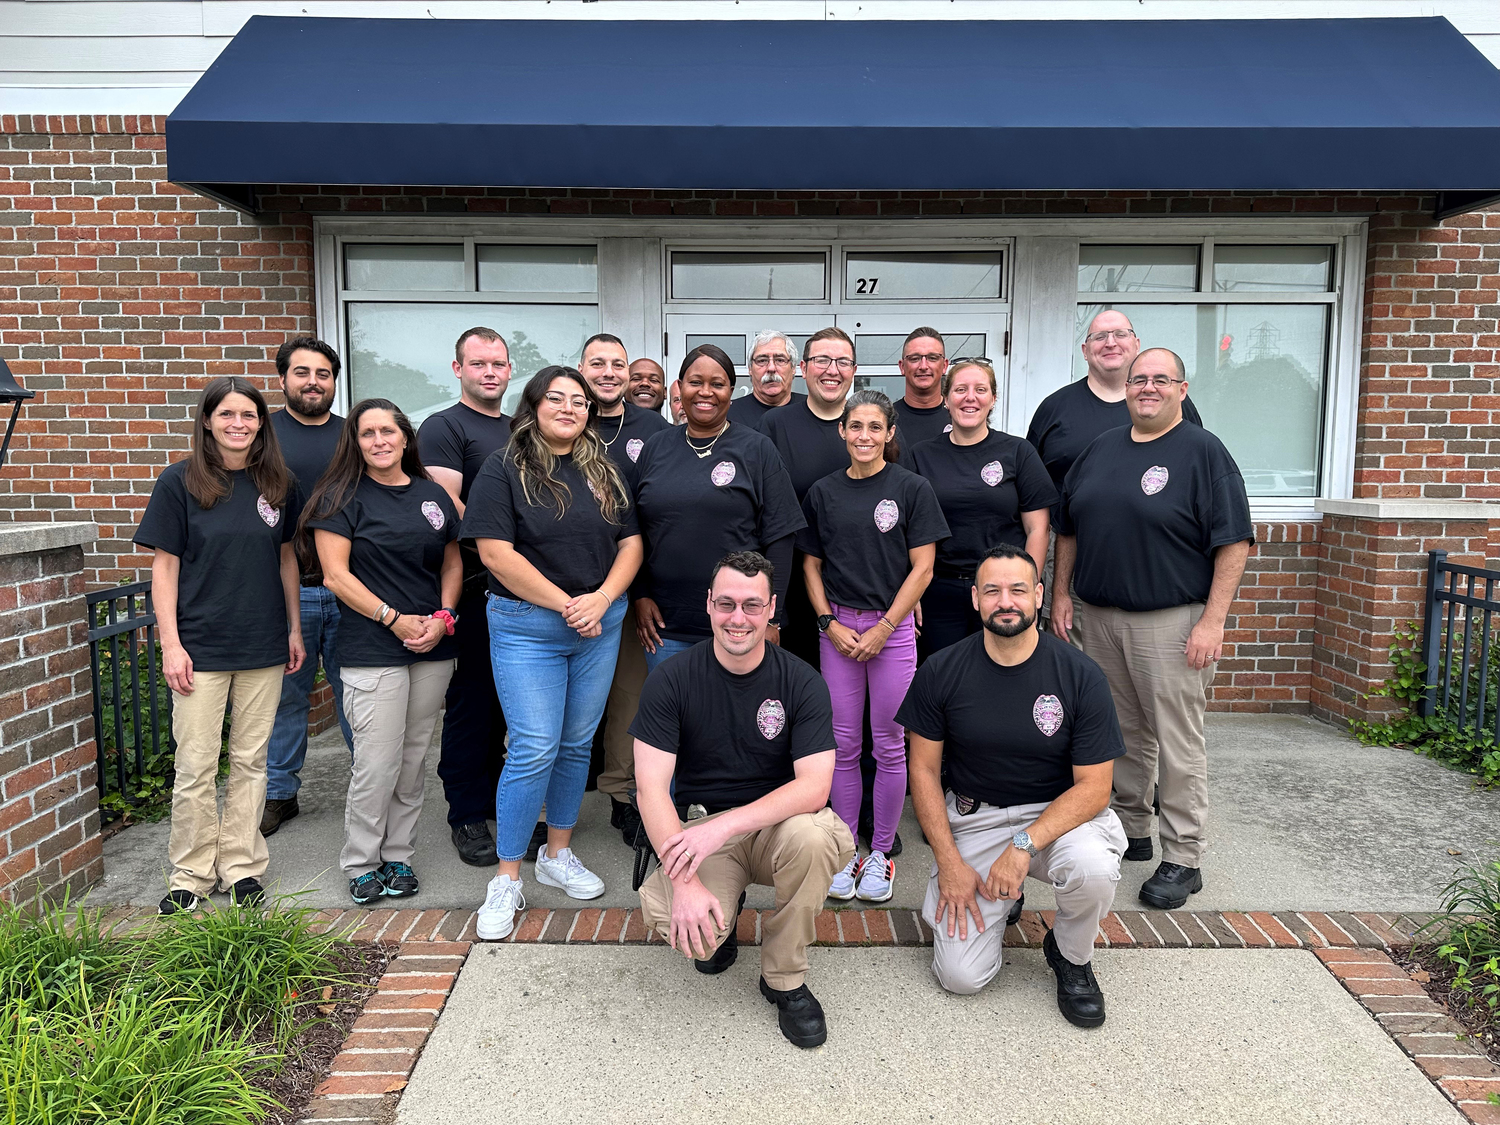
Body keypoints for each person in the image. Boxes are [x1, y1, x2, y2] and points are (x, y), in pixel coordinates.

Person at [1052, 347, 1252, 909]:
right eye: (1139, 379)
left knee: (1177, 741)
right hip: (1101, 617)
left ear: (1181, 390)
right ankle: (1132, 829)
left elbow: (1234, 541)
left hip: (1172, 621)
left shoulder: (1202, 451)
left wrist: (1213, 621)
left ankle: (1184, 856)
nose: (1147, 388)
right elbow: (1068, 529)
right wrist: (1062, 593)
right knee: (1121, 732)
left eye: (1160, 380)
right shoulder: (1099, 450)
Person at [631, 551, 853, 1049]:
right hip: (706, 827)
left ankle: (784, 977)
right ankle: (722, 919)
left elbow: (815, 787)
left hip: (780, 826)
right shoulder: (671, 679)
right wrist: (682, 879)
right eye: (726, 603)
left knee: (817, 838)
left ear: (772, 608)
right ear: (708, 605)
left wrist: (726, 826)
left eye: (752, 606)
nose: (738, 618)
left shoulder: (801, 681)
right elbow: (650, 788)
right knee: (690, 931)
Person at [900, 543, 1127, 1027]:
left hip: (1056, 816)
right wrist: (949, 863)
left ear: (1039, 595)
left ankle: (1071, 955)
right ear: (975, 600)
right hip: (975, 816)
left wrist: (1023, 846)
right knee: (961, 978)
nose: (1006, 600)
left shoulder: (1079, 674)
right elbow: (921, 771)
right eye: (993, 590)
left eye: (1018, 589)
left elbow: (1095, 788)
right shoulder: (941, 670)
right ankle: (1005, 900)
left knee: (1093, 869)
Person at [467, 367, 644, 939]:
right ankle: (508, 877)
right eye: (557, 399)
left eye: (579, 401)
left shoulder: (605, 469)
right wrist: (571, 604)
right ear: (535, 406)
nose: (569, 408)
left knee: (574, 744)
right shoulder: (503, 467)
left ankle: (557, 854)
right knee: (533, 747)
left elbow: (631, 543)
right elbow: (495, 553)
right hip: (527, 628)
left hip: (600, 622)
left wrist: (603, 598)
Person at [136, 376, 304, 915]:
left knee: (252, 761)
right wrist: (170, 644)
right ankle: (190, 874)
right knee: (196, 766)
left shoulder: (278, 484)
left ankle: (241, 866)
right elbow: (163, 568)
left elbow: (285, 561)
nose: (238, 424)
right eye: (227, 414)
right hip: (200, 648)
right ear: (207, 421)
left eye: (249, 415)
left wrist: (294, 629)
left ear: (261, 423)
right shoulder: (178, 483)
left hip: (262, 643)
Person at [306, 398, 462, 905]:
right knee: (377, 761)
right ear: (354, 442)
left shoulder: (431, 495)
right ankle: (361, 862)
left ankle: (399, 856)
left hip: (431, 645)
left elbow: (452, 563)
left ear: (404, 437)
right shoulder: (338, 497)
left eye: (387, 431)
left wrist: (442, 619)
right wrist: (393, 620)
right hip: (373, 645)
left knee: (413, 758)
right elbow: (336, 576)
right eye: (367, 433)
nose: (378, 441)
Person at [799, 391, 948, 903]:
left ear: (889, 434)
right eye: (854, 426)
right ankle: (845, 851)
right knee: (842, 745)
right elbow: (810, 566)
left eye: (873, 427)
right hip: (838, 629)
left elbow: (924, 567)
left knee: (889, 745)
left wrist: (886, 627)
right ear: (842, 432)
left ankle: (880, 852)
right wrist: (827, 623)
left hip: (893, 630)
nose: (863, 435)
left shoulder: (912, 488)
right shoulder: (822, 491)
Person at [631, 344, 804, 674]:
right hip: (667, 626)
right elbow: (633, 529)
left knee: (738, 722)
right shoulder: (656, 448)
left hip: (741, 624)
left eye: (717, 383)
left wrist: (772, 618)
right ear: (679, 388)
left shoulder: (757, 449)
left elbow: (781, 537)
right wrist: (640, 595)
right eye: (696, 382)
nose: (705, 392)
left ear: (731, 391)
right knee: (677, 721)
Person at [1026, 311, 1202, 630]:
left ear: (1135, 344)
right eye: (1099, 336)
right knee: (1072, 662)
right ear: (1084, 350)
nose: (1110, 343)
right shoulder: (1054, 409)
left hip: (1155, 565)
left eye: (1120, 334)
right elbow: (1031, 493)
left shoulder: (1172, 404)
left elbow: (1196, 481)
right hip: (1070, 560)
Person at [416, 326, 513, 867]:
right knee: (473, 703)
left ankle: (498, 799)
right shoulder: (444, 426)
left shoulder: (519, 425)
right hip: (477, 583)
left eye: (498, 363)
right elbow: (449, 503)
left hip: (519, 585)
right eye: (479, 364)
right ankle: (466, 814)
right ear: (458, 369)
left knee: (507, 702)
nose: (490, 372)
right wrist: (509, 544)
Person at [577, 334, 670, 846]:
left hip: (633, 589)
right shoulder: (561, 420)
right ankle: (546, 807)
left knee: (631, 698)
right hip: (564, 592)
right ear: (581, 368)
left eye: (618, 364)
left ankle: (622, 794)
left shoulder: (653, 427)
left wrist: (642, 592)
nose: (610, 372)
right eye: (598, 364)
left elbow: (659, 510)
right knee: (561, 704)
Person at [263, 336, 354, 838]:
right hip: (286, 590)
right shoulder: (262, 435)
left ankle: (371, 789)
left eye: (323, 373)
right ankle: (279, 794)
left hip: (351, 589)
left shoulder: (352, 436)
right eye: (302, 372)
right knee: (285, 699)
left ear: (334, 381)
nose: (313, 382)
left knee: (356, 697)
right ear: (283, 380)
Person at [909, 359, 1055, 657]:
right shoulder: (920, 455)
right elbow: (907, 532)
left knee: (1006, 673)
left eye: (980, 389)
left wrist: (1026, 589)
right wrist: (909, 591)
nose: (970, 397)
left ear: (993, 399)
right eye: (960, 389)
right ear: (946, 399)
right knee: (944, 677)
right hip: (938, 591)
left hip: (1002, 592)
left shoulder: (1018, 452)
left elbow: (1037, 528)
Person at [760, 327, 858, 668]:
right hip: (792, 588)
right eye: (822, 360)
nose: (833, 370)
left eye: (843, 361)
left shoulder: (869, 425)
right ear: (802, 368)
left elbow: (900, 502)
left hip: (862, 586)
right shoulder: (774, 425)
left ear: (854, 371)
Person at [892, 327, 953, 456]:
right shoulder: (886, 420)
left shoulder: (959, 419)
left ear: (945, 365)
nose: (924, 366)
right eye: (915, 358)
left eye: (932, 358)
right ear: (902, 367)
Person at [726, 330, 804, 430]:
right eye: (762, 361)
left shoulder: (812, 410)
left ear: (793, 368)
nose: (771, 368)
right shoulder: (728, 416)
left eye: (780, 360)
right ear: (750, 368)